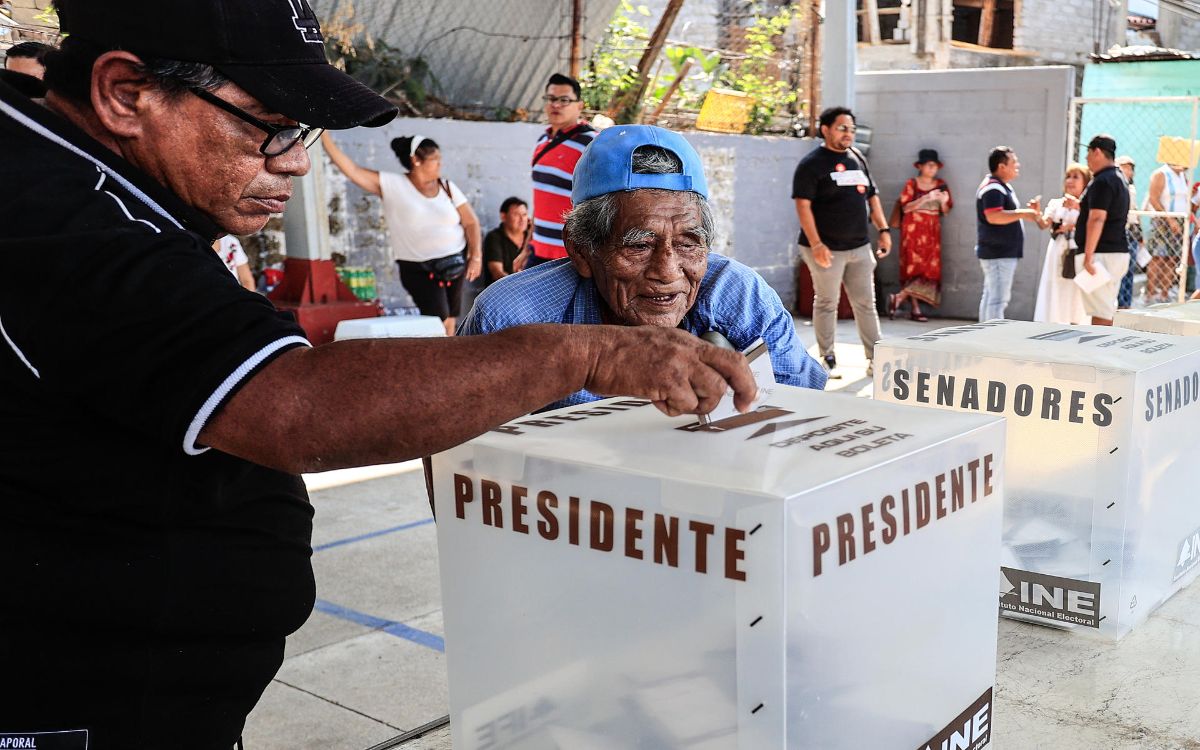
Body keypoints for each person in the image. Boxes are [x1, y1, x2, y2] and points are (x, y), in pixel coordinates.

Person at [0, 1, 757, 745]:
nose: (294, 159)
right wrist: (587, 353)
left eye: (302, 134)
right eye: (269, 127)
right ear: (125, 93)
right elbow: (293, 408)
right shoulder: (51, 212)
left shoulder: (99, 189)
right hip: (78, 703)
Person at [462, 124, 827, 409]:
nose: (667, 272)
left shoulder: (737, 295)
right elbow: (457, 465)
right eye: (639, 245)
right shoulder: (511, 318)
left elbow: (804, 414)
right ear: (581, 249)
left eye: (688, 243)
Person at [322, 131, 482, 336]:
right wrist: (323, 135)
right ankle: (438, 361)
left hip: (454, 264)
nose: (439, 164)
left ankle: (449, 360)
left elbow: (471, 222)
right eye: (434, 160)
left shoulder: (447, 186)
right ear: (416, 160)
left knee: (451, 319)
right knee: (438, 318)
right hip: (419, 268)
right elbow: (352, 170)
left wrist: (475, 255)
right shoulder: (393, 184)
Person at [792, 106, 891, 379]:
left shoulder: (857, 157)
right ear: (826, 129)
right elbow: (803, 206)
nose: (848, 134)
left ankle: (876, 360)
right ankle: (827, 359)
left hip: (859, 247)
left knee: (866, 304)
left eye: (852, 129)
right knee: (827, 302)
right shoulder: (811, 164)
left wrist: (883, 229)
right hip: (825, 249)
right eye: (842, 128)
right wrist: (816, 244)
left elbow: (872, 197)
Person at [528, 72, 595, 267]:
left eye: (564, 100)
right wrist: (527, 246)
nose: (556, 105)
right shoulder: (542, 141)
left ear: (579, 105)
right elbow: (540, 200)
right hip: (538, 250)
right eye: (551, 99)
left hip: (571, 255)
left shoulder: (592, 144)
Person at [975, 146, 1044, 321]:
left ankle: (982, 337)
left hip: (998, 253)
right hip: (998, 253)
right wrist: (1024, 214)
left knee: (991, 297)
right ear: (1002, 166)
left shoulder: (1000, 187)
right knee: (997, 301)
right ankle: (991, 340)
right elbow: (993, 216)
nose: (1017, 165)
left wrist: (1027, 213)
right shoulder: (993, 189)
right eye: (1014, 162)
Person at [889, 148, 952, 322]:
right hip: (913, 231)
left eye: (935, 166)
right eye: (929, 165)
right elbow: (906, 207)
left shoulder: (941, 184)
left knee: (929, 270)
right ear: (921, 166)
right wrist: (926, 198)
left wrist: (942, 202)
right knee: (912, 269)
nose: (932, 169)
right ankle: (915, 308)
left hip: (932, 232)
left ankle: (899, 298)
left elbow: (945, 212)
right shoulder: (912, 183)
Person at [1074, 135, 1131, 326]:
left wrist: (1088, 257)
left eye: (1088, 153)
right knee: (1105, 308)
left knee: (1101, 313)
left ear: (1096, 151)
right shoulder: (1118, 177)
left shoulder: (1103, 180)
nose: (1086, 159)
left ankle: (1100, 354)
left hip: (1101, 255)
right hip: (1114, 253)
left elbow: (1097, 218)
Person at [1033, 163, 1090, 325]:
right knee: (1057, 286)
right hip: (1057, 251)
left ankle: (1076, 323)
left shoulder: (1087, 206)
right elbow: (1044, 224)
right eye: (1068, 177)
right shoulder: (1055, 203)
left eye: (1075, 177)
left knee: (1076, 289)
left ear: (1085, 182)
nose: (1070, 181)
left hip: (1077, 250)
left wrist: (1073, 221)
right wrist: (1037, 213)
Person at [1145, 154, 1190, 303]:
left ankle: (1165, 293)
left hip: (1179, 221)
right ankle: (1150, 294)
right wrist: (1169, 219)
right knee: (1158, 258)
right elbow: (1154, 198)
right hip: (1162, 222)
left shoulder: (1183, 175)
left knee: (1172, 259)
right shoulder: (1161, 173)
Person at [483, 196, 532, 287]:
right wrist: (519, 286)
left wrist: (533, 230)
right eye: (516, 215)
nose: (522, 219)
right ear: (503, 216)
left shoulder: (531, 237)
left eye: (524, 215)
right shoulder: (494, 237)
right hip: (502, 292)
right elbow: (497, 273)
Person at [1115, 155, 1140, 310]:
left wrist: (1140, 234)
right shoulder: (1118, 187)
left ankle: (1126, 303)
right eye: (1125, 166)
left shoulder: (1132, 188)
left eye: (1130, 168)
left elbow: (1135, 212)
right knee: (1120, 271)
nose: (1128, 170)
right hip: (1120, 231)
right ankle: (1119, 303)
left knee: (1130, 270)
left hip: (1131, 231)